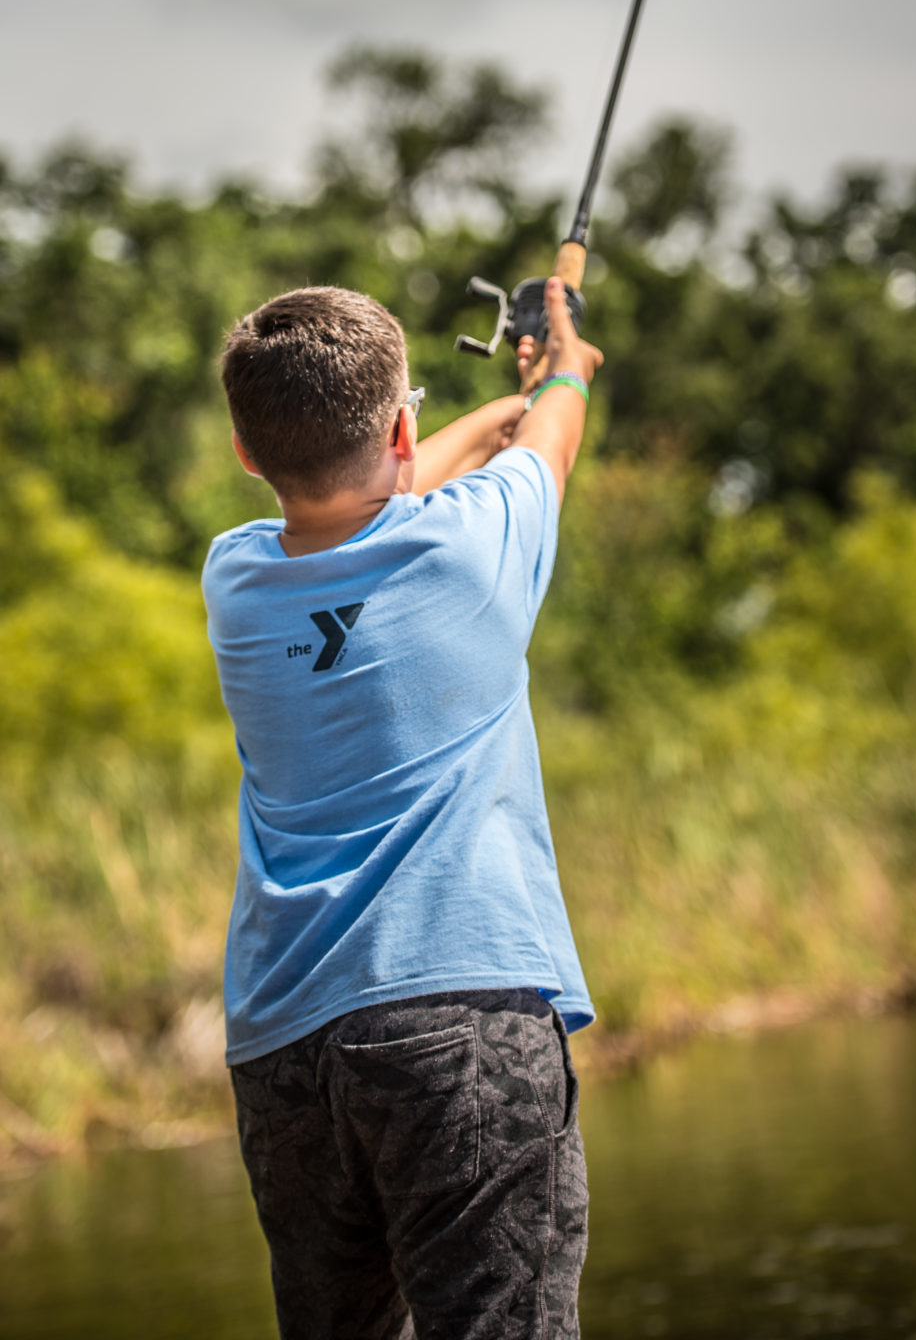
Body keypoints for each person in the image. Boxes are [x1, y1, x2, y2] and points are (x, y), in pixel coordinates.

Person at [202, 274, 604, 1340]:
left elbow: (356, 488)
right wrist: (558, 365)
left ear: (247, 454)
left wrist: (484, 414)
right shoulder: (471, 541)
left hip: (284, 1051)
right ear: (398, 421)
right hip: (458, 1018)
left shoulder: (234, 581)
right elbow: (553, 435)